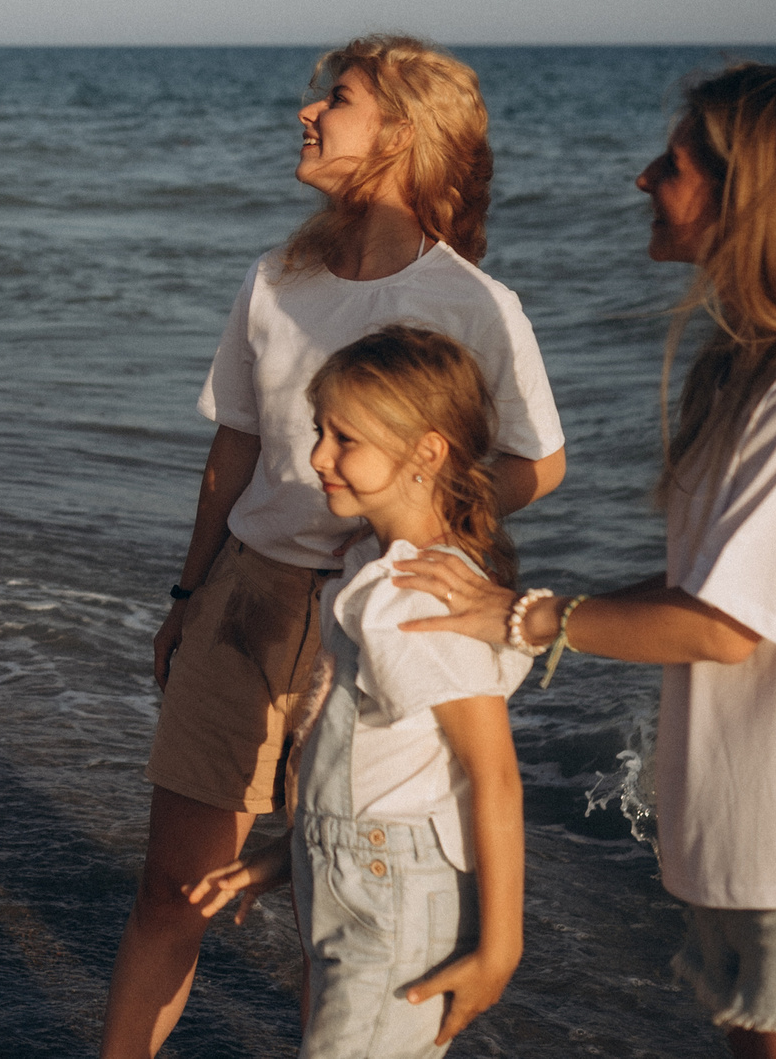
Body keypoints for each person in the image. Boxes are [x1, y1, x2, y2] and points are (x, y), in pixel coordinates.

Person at [398, 62, 776, 1059]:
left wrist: (522, 616)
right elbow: (714, 594)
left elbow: (719, 625)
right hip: (763, 868)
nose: (644, 177)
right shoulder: (765, 372)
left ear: (750, 198)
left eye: (676, 160)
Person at [100, 34, 567, 1059]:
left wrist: (413, 525)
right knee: (173, 890)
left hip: (379, 613)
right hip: (244, 596)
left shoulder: (475, 304)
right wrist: (186, 591)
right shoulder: (277, 278)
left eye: (337, 100)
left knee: (338, 896)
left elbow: (539, 461)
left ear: (403, 134)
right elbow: (233, 451)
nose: (307, 115)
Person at [187, 325, 528, 1056]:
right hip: (354, 879)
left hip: (396, 900)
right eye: (319, 431)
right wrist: (288, 854)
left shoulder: (425, 594)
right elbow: (378, 759)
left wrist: (500, 950)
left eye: (345, 439)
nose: (317, 458)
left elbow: (493, 774)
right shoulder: (371, 567)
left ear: (426, 452)